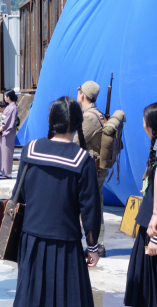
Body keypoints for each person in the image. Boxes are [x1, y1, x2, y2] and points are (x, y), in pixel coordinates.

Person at [12, 96, 101, 307]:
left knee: (32, 298)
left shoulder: (30, 150)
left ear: (51, 121)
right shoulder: (82, 160)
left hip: (31, 239)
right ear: (77, 124)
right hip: (65, 245)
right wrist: (93, 246)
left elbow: (19, 194)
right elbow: (90, 208)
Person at [125, 102, 157, 307]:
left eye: (144, 120)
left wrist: (155, 237)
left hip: (152, 229)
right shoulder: (155, 147)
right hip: (148, 226)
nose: (142, 123)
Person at [76, 81, 108, 257]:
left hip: (91, 170)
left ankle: (93, 244)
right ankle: (99, 244)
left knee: (87, 207)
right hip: (97, 169)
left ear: (83, 95)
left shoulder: (89, 118)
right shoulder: (99, 114)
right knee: (97, 205)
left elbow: (75, 143)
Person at [0, 90, 18, 179]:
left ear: (8, 97)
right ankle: (3, 171)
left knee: (7, 152)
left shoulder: (12, 107)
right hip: (4, 131)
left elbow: (7, 121)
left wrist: (0, 129)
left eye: (5, 96)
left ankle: (7, 173)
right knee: (3, 151)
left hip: (7, 132)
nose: (4, 97)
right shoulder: (10, 107)